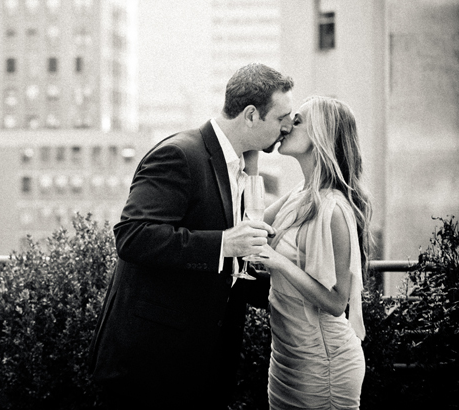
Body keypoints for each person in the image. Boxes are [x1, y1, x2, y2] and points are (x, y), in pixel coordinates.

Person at [88, 63, 294, 409]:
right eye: (280, 118)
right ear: (250, 115)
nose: (286, 126)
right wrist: (224, 243)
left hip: (203, 369)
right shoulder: (180, 155)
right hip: (149, 368)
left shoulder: (240, 166)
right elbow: (133, 235)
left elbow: (227, 274)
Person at [252, 96, 372, 409]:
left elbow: (337, 302)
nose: (287, 126)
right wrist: (253, 146)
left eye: (298, 121)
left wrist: (279, 262)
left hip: (323, 363)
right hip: (285, 359)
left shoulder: (335, 209)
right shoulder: (300, 194)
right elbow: (251, 223)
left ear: (321, 135)